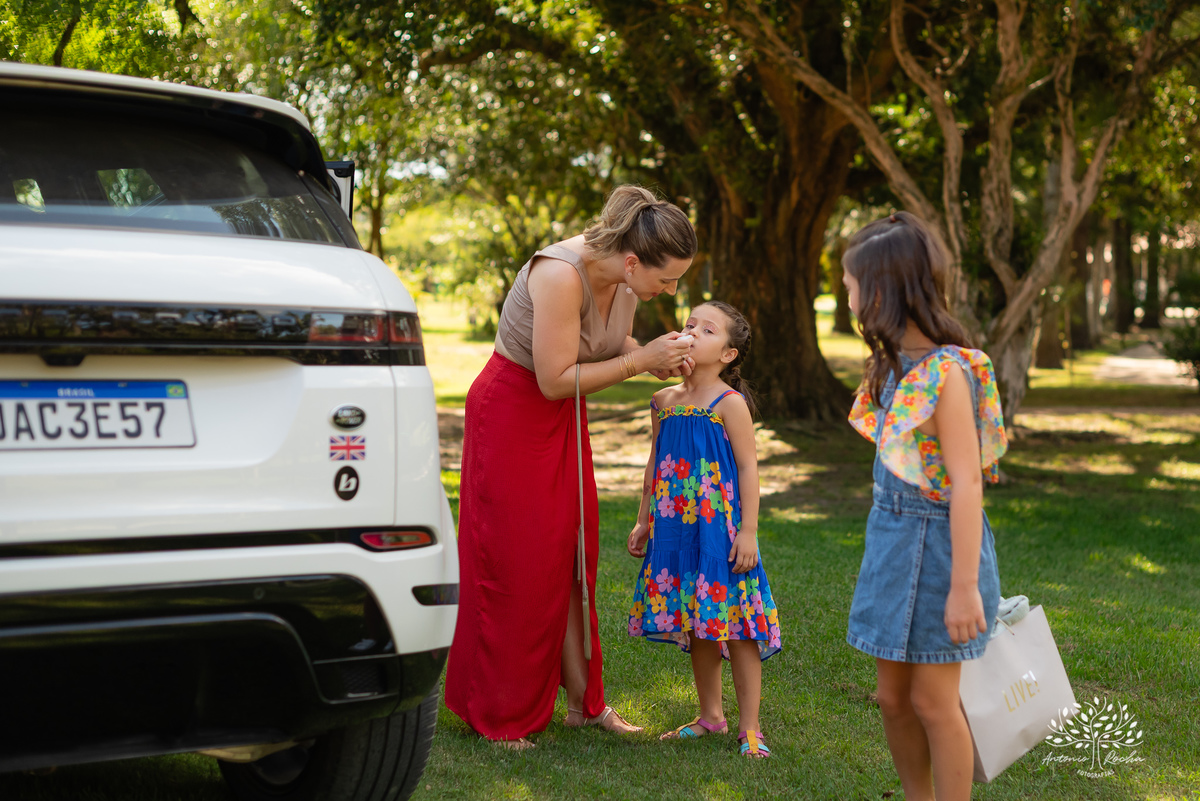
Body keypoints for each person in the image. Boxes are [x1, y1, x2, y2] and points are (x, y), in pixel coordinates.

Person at [446, 185, 699, 749]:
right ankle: (499, 711)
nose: (671, 289)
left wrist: (650, 357)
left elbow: (607, 341)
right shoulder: (560, 273)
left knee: (571, 553)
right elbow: (552, 377)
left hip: (562, 417)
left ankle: (585, 704)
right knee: (518, 561)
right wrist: (639, 361)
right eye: (667, 278)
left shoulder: (628, 281)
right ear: (633, 262)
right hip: (513, 411)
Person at [841, 212, 1008, 799]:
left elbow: (967, 483)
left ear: (881, 290)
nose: (847, 293)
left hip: (940, 552)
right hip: (890, 543)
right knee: (892, 699)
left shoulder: (947, 375)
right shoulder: (888, 367)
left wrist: (964, 586)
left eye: (852, 283)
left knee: (934, 703)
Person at [626, 301, 782, 759]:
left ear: (728, 354)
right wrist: (642, 519)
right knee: (698, 621)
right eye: (689, 323)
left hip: (720, 531)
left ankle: (750, 727)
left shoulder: (729, 404)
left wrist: (748, 531)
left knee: (737, 625)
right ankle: (711, 716)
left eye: (707, 329)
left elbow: (750, 468)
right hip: (676, 529)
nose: (692, 332)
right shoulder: (664, 401)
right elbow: (656, 462)